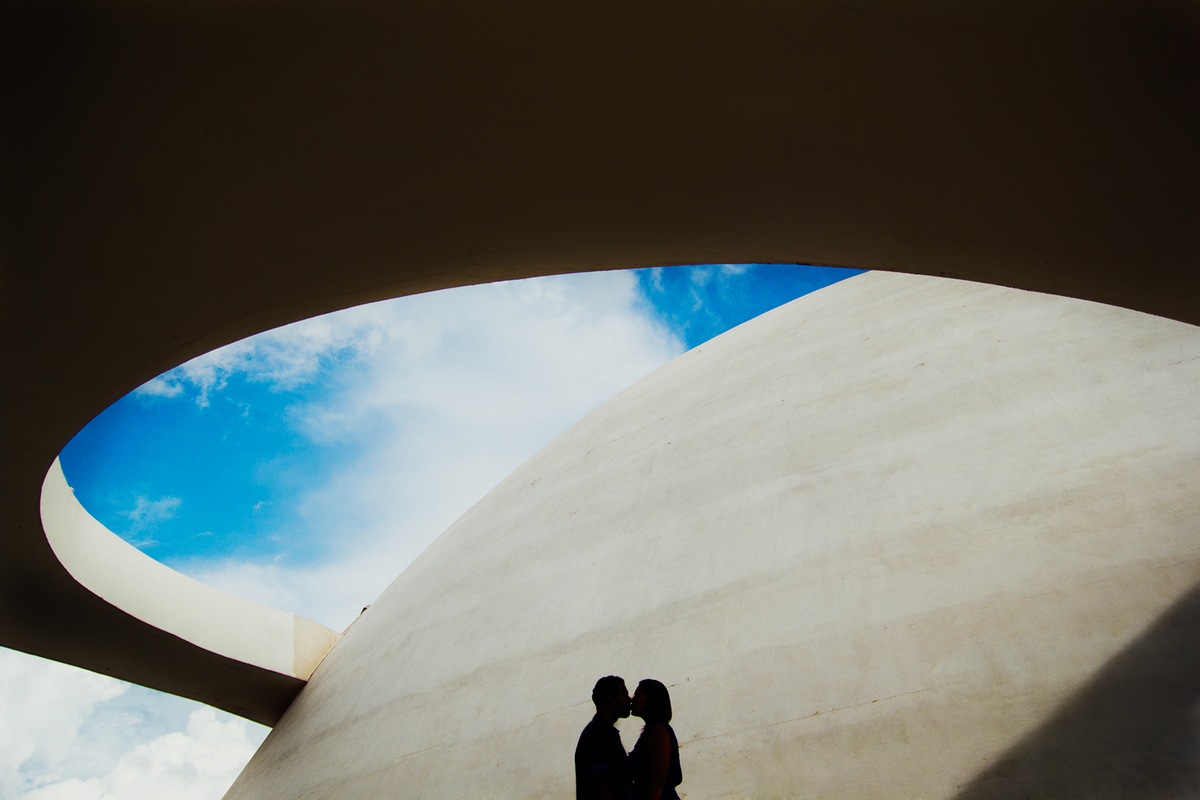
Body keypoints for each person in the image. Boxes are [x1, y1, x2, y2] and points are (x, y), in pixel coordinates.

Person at [575, 675, 631, 800]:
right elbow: (601, 785)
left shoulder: (599, 732)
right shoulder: (599, 735)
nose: (629, 700)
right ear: (611, 699)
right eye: (624, 695)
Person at [627, 679, 683, 800]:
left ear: (651, 700)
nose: (632, 699)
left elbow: (658, 782)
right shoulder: (653, 731)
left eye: (638, 695)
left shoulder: (658, 732)